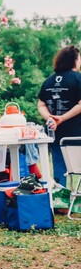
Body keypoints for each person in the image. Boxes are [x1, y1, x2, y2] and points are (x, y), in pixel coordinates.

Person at [37, 45, 81, 186]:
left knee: (59, 169)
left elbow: (41, 104)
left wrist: (50, 117)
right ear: (74, 60)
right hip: (76, 134)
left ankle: (61, 203)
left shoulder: (48, 81)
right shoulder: (78, 79)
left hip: (55, 133)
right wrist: (61, 118)